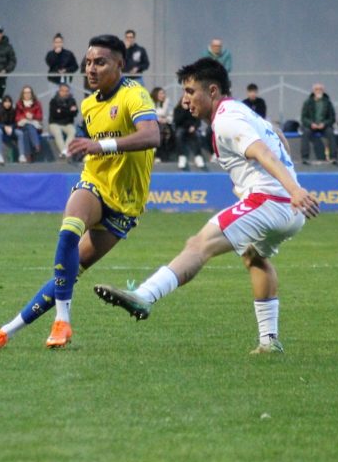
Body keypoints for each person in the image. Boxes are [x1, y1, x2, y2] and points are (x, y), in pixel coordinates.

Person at [93, 57, 320, 355]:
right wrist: (290, 183)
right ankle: (269, 341)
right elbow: (276, 134)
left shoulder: (226, 119)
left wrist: (294, 189)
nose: (184, 100)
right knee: (254, 257)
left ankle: (145, 296)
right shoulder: (242, 111)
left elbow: (263, 152)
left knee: (199, 244)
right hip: (289, 211)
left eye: (190, 91)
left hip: (269, 201)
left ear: (212, 91)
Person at [0, 34, 160, 350]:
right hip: (94, 183)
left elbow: (152, 135)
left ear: (119, 64)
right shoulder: (88, 105)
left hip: (126, 203)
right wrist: (89, 149)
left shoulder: (134, 95)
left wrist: (100, 145)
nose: (91, 69)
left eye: (100, 62)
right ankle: (57, 322)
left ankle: (8, 331)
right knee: (69, 231)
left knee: (69, 273)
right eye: (88, 63)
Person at [299, 82, 336, 165]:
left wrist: (324, 124)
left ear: (323, 91)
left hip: (324, 126)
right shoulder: (307, 102)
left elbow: (332, 118)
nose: (318, 91)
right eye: (316, 89)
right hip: (311, 126)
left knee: (330, 133)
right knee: (306, 133)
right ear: (313, 91)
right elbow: (304, 117)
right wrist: (311, 124)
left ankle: (333, 157)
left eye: (320, 89)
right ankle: (305, 157)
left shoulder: (328, 103)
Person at [173, 95, 206, 170]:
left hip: (192, 128)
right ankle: (182, 157)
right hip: (182, 128)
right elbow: (177, 121)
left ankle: (198, 156)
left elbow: (198, 121)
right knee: (179, 135)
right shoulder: (177, 109)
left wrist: (194, 127)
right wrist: (184, 110)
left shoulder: (194, 109)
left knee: (197, 135)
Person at [47, 83, 79, 159]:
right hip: (54, 123)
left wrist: (61, 111)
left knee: (73, 131)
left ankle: (65, 151)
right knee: (58, 133)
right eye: (63, 91)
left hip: (67, 123)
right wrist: (69, 111)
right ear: (59, 91)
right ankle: (64, 151)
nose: (65, 93)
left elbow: (75, 113)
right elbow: (55, 115)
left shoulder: (72, 101)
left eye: (67, 91)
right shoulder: (53, 101)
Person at [15, 85, 44, 163]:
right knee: (27, 126)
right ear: (22, 94)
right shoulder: (19, 104)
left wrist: (33, 116)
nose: (27, 94)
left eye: (29, 93)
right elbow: (17, 117)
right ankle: (36, 145)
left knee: (27, 130)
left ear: (32, 94)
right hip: (22, 124)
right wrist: (25, 116)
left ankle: (28, 155)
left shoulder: (37, 103)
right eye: (25, 93)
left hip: (35, 126)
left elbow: (40, 117)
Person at [0, 94, 18, 165]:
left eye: (9, 102)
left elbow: (15, 123)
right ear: (2, 102)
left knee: (20, 133)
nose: (7, 104)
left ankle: (22, 155)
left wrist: (11, 127)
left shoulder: (12, 110)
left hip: (8, 129)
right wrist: (4, 127)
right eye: (6, 102)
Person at [151, 86, 176, 162]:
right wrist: (158, 118)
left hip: (167, 125)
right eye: (161, 93)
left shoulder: (168, 103)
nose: (163, 95)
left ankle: (156, 152)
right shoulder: (151, 103)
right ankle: (158, 153)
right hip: (154, 125)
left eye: (164, 93)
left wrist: (165, 119)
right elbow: (153, 114)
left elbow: (171, 116)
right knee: (160, 129)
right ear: (156, 94)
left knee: (162, 129)